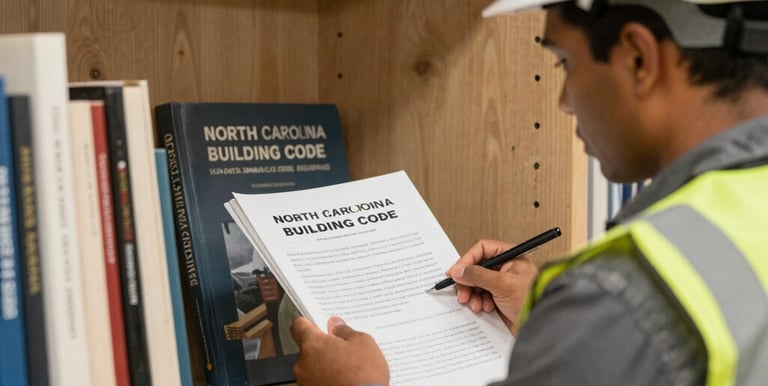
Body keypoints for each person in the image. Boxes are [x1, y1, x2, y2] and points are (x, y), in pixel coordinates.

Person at [289, 0, 768, 384]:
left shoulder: (622, 292)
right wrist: (553, 322)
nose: (562, 101)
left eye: (564, 62)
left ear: (638, 57)